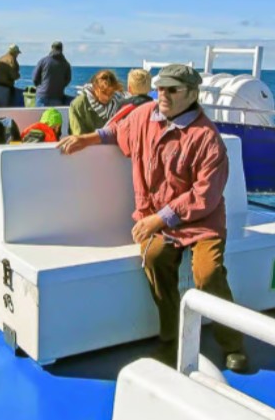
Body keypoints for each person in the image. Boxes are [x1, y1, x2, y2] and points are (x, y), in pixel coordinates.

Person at [58, 63, 248, 373]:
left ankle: (233, 343)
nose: (163, 95)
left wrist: (159, 219)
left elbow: (206, 194)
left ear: (192, 94)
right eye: (160, 88)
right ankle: (172, 338)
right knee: (156, 258)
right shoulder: (144, 116)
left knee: (208, 273)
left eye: (173, 90)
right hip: (158, 220)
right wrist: (86, 140)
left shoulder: (207, 137)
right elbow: (116, 130)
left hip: (202, 221)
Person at [69, 69, 123, 135]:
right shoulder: (78, 105)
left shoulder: (119, 103)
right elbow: (78, 137)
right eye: (104, 93)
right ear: (95, 87)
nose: (107, 97)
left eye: (111, 93)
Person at [32, 41, 72, 107]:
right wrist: (60, 87)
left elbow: (35, 78)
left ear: (52, 48)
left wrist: (40, 87)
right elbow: (68, 80)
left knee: (41, 117)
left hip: (42, 96)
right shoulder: (66, 64)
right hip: (57, 97)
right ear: (62, 49)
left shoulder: (43, 61)